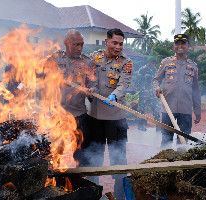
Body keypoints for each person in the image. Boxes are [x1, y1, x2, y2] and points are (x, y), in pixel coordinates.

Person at [87, 28, 132, 200]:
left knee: (118, 161)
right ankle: (92, 195)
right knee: (94, 159)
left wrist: (114, 95)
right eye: (115, 43)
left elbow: (123, 84)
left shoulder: (126, 63)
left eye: (121, 44)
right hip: (95, 118)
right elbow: (88, 77)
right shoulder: (94, 58)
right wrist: (90, 89)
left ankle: (120, 197)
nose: (118, 47)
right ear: (106, 42)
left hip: (116, 119)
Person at [44, 29, 97, 167]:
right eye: (76, 45)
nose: (79, 48)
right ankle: (52, 181)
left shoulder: (88, 62)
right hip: (58, 115)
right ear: (66, 43)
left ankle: (81, 181)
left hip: (79, 116)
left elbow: (93, 85)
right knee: (54, 152)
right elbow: (39, 75)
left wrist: (91, 91)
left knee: (82, 155)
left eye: (82, 45)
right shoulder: (54, 59)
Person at [153, 34, 201, 149]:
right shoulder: (166, 62)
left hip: (186, 111)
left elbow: (196, 90)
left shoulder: (193, 66)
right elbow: (156, 80)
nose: (180, 46)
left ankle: (181, 166)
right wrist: (157, 88)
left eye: (183, 43)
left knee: (183, 142)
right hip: (167, 109)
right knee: (166, 140)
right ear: (174, 46)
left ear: (188, 46)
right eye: (177, 43)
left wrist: (197, 110)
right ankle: (164, 165)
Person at [136, 61, 160, 131]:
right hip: (144, 93)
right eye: (152, 63)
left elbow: (157, 80)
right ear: (148, 62)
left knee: (156, 109)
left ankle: (158, 127)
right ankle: (140, 126)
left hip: (152, 93)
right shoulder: (142, 69)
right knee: (141, 109)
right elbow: (138, 80)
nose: (153, 64)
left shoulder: (155, 70)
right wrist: (144, 78)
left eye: (154, 63)